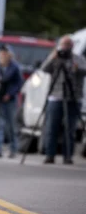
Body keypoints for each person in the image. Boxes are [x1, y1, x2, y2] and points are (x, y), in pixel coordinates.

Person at [41, 35, 86, 164]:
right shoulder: (56, 58)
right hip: (55, 96)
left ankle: (68, 156)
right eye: (63, 44)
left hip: (73, 97)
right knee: (52, 127)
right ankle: (50, 155)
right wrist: (52, 57)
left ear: (72, 46)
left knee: (69, 128)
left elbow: (84, 70)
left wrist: (75, 67)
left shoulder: (78, 59)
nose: (65, 47)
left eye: (67, 45)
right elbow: (44, 69)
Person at [0, 45, 23, 159]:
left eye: (5, 53)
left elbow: (19, 83)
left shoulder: (14, 67)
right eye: (1, 53)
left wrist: (10, 94)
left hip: (10, 100)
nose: (3, 55)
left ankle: (13, 149)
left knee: (11, 125)